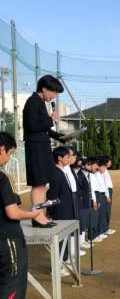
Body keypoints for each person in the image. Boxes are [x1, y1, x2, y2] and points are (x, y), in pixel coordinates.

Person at [0, 132, 43, 299]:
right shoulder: (2, 178)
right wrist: (33, 214)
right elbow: (12, 212)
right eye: (10, 153)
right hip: (7, 238)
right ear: (2, 149)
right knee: (12, 281)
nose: (9, 158)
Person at [23, 75, 66, 227]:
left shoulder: (40, 103)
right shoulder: (32, 102)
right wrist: (51, 119)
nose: (54, 96)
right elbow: (33, 126)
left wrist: (63, 137)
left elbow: (45, 129)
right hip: (35, 148)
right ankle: (37, 217)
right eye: (53, 92)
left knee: (42, 184)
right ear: (44, 89)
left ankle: (40, 215)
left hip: (42, 146)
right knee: (38, 183)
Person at [47, 146, 79, 275]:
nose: (69, 159)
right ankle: (57, 267)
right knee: (60, 239)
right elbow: (52, 195)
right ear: (60, 158)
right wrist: (51, 212)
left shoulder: (62, 171)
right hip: (60, 211)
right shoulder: (56, 172)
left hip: (67, 209)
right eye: (66, 156)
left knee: (65, 237)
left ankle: (63, 262)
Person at [98, 156, 115, 236]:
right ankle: (104, 229)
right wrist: (107, 195)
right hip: (106, 191)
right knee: (105, 211)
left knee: (107, 211)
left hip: (108, 191)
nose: (110, 163)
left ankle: (106, 228)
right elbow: (104, 184)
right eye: (109, 162)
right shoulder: (103, 171)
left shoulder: (105, 170)